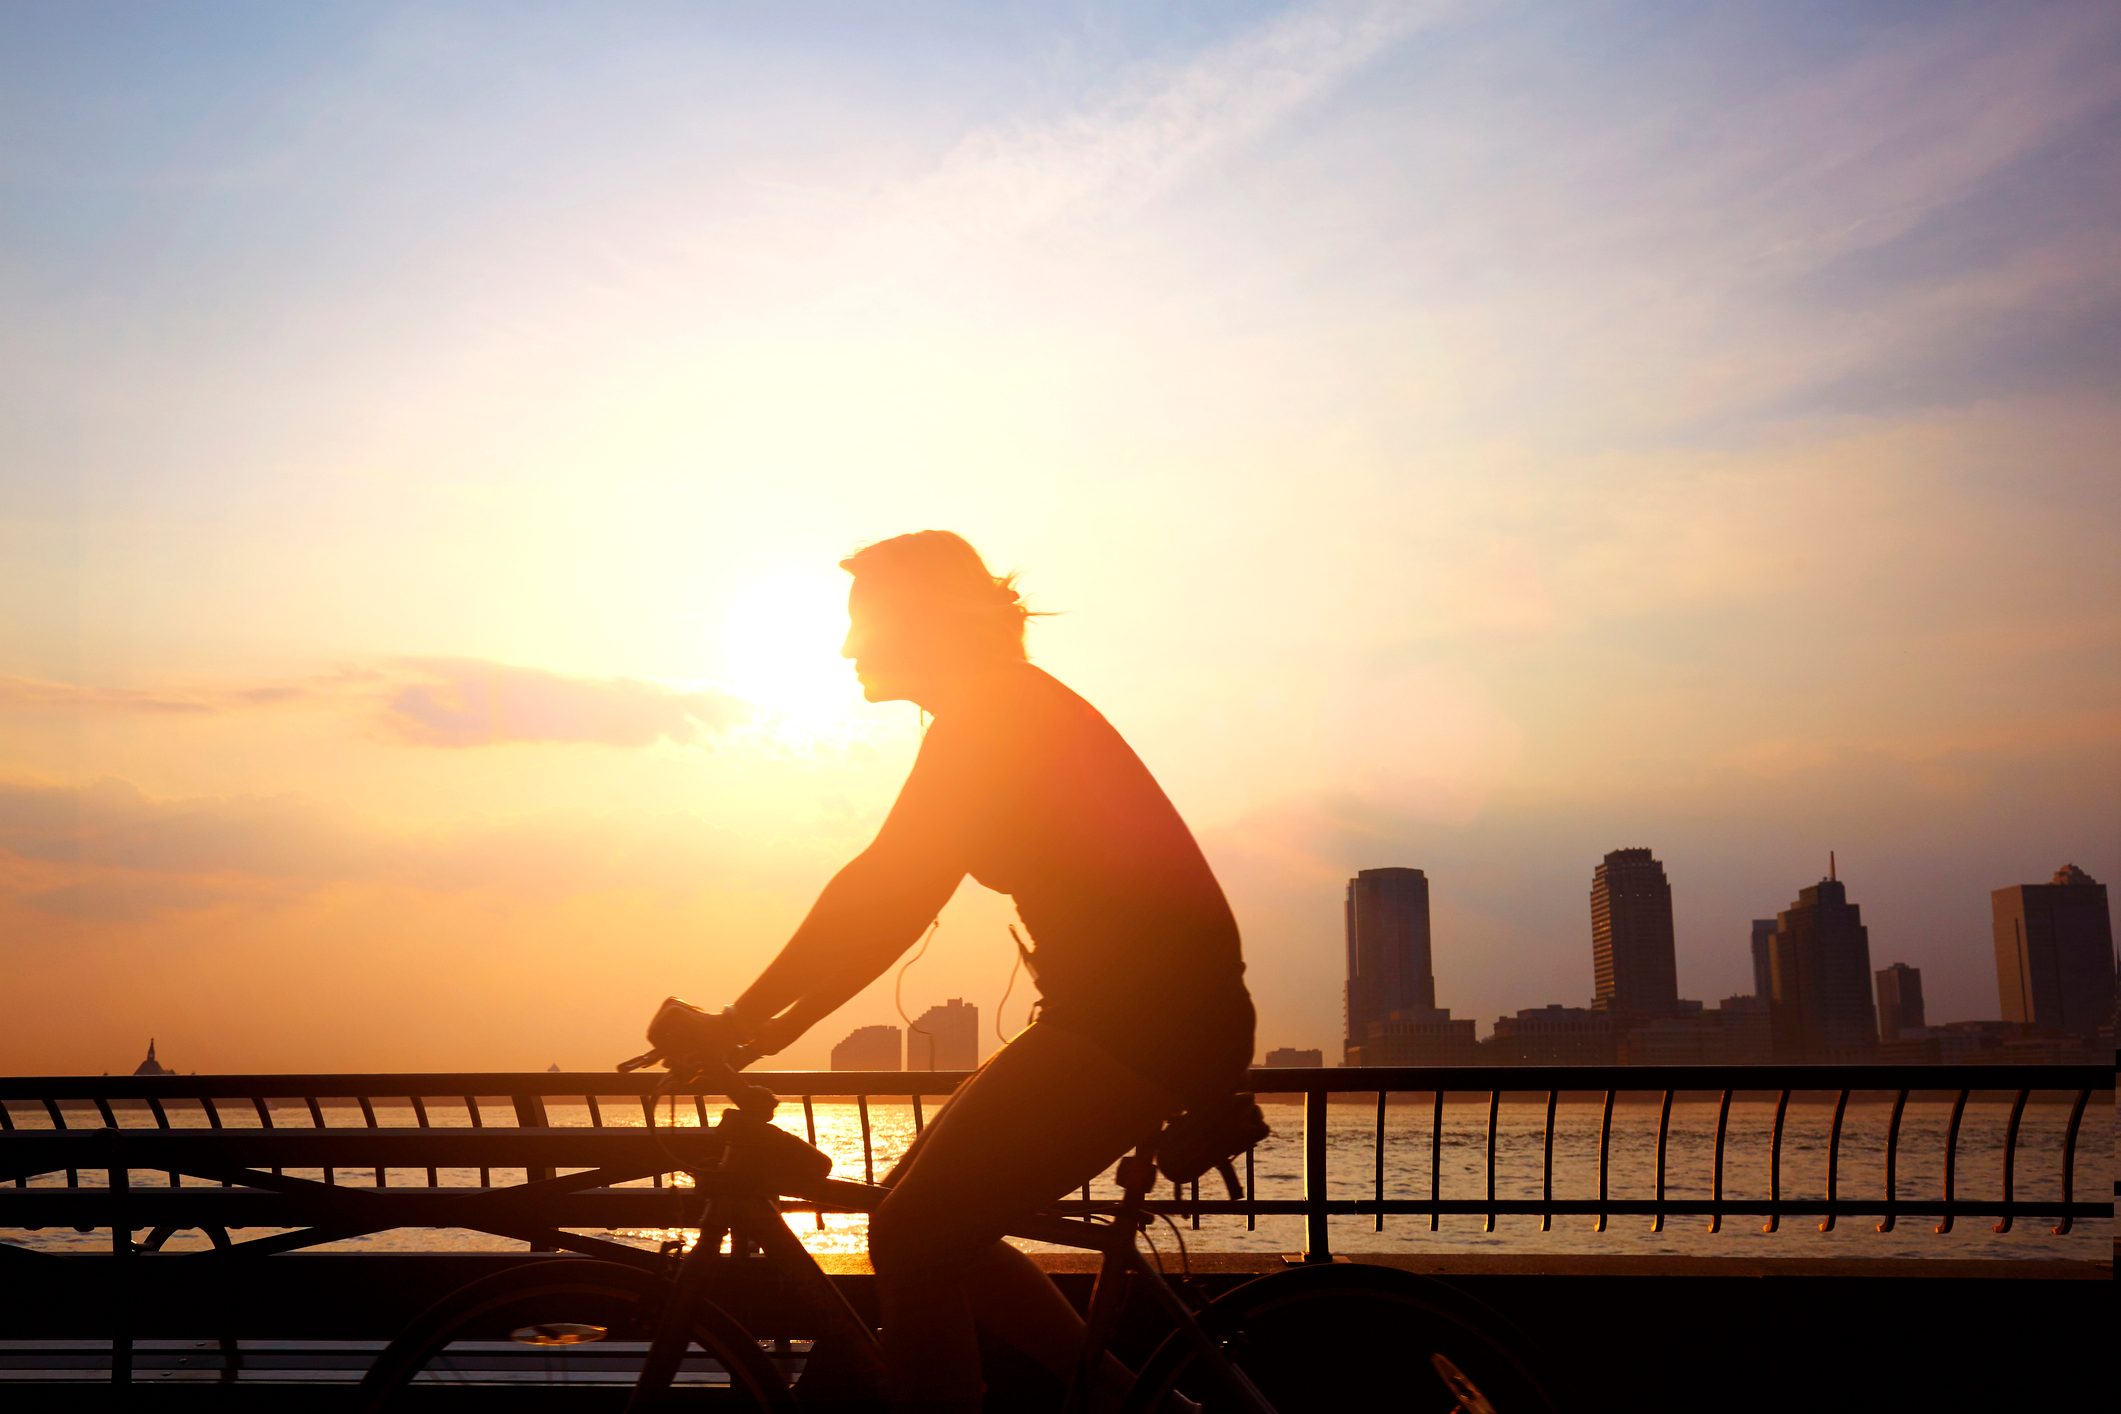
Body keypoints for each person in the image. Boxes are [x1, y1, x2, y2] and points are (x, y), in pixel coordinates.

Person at [713, 530, 1254, 1412]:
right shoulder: (996, 709)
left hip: (1138, 1023)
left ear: (923, 623)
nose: (847, 647)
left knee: (916, 1233)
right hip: (1126, 1015)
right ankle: (1138, 1407)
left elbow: (886, 892)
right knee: (927, 1224)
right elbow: (889, 896)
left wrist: (740, 1019)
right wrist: (767, 1022)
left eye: (863, 623)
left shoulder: (993, 717)